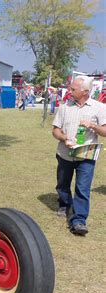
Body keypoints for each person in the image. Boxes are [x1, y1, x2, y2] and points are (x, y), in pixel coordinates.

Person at [52, 75, 106, 236]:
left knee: (83, 188)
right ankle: (64, 203)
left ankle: (79, 221)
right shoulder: (64, 107)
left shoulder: (99, 107)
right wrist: (64, 138)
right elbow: (55, 130)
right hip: (65, 153)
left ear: (85, 92)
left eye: (74, 89)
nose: (70, 90)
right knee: (63, 183)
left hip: (86, 155)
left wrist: (94, 126)